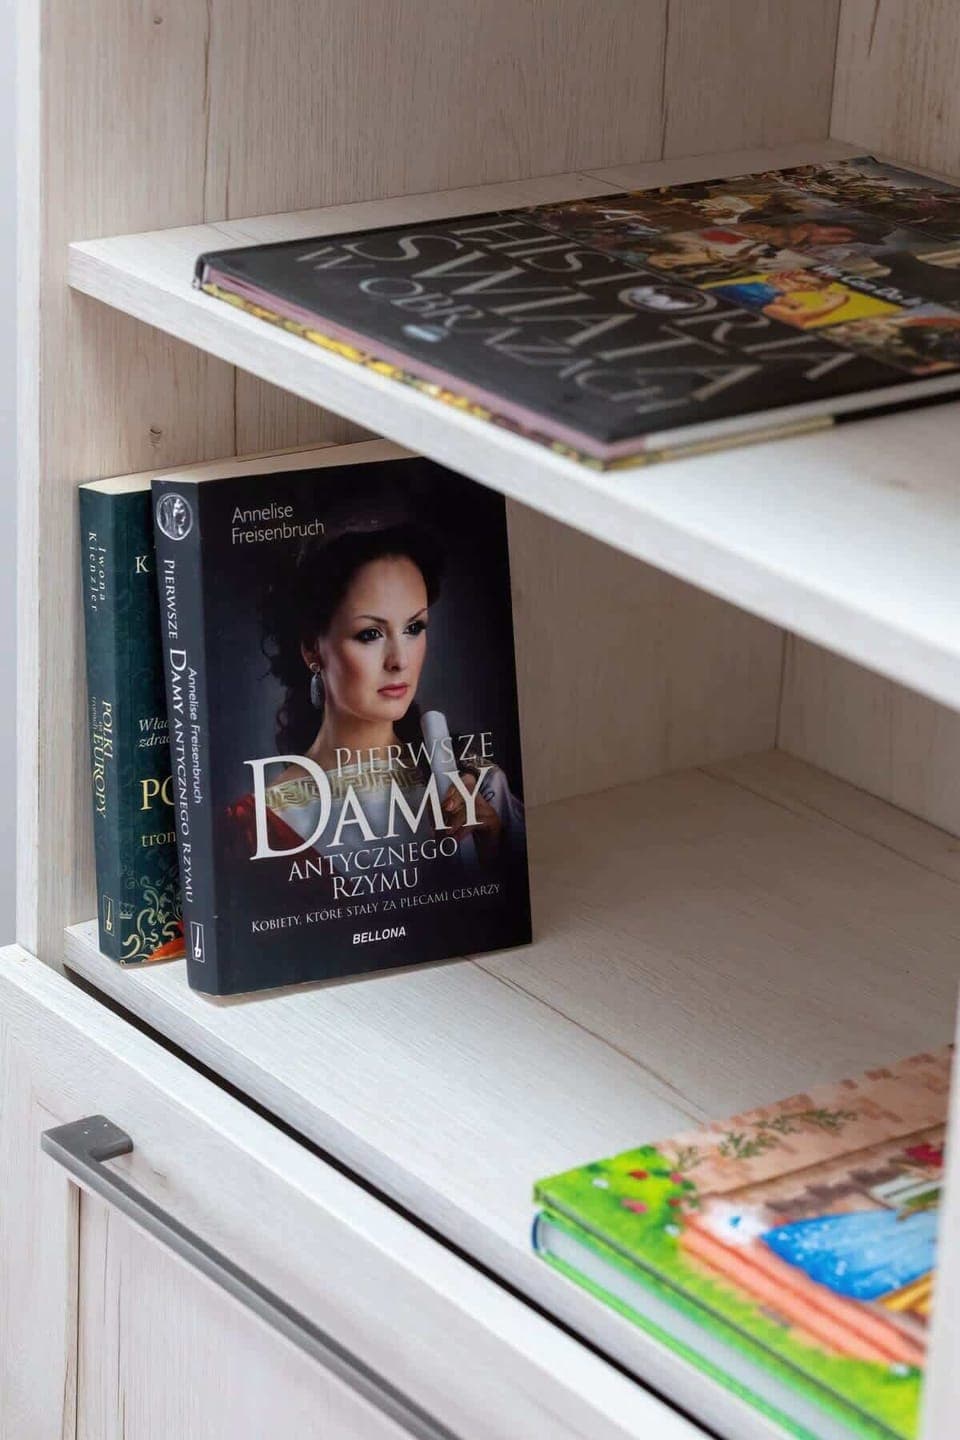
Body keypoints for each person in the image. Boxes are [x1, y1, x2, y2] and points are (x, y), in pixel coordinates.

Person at [224, 523, 524, 870]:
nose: (400, 660)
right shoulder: (255, 826)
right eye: (370, 634)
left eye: (414, 628)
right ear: (312, 649)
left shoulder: (477, 784)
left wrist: (493, 856)